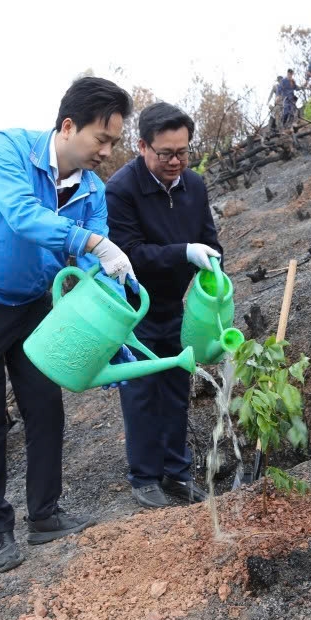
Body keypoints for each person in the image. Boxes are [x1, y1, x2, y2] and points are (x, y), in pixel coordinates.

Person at [0, 76, 135, 572]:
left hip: (33, 304)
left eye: (114, 142)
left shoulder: (92, 190)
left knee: (46, 408)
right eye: (102, 139)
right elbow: (22, 216)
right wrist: (90, 243)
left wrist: (116, 333)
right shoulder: (10, 149)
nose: (108, 152)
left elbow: (98, 271)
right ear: (69, 126)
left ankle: (44, 515)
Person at [105, 102, 223, 509]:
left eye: (183, 152)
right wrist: (184, 252)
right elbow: (129, 254)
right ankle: (144, 476)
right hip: (134, 308)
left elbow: (210, 240)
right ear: (142, 146)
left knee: (176, 386)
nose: (176, 161)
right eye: (166, 153)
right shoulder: (121, 189)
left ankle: (177, 471)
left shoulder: (195, 185)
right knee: (141, 391)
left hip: (179, 306)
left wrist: (206, 273)